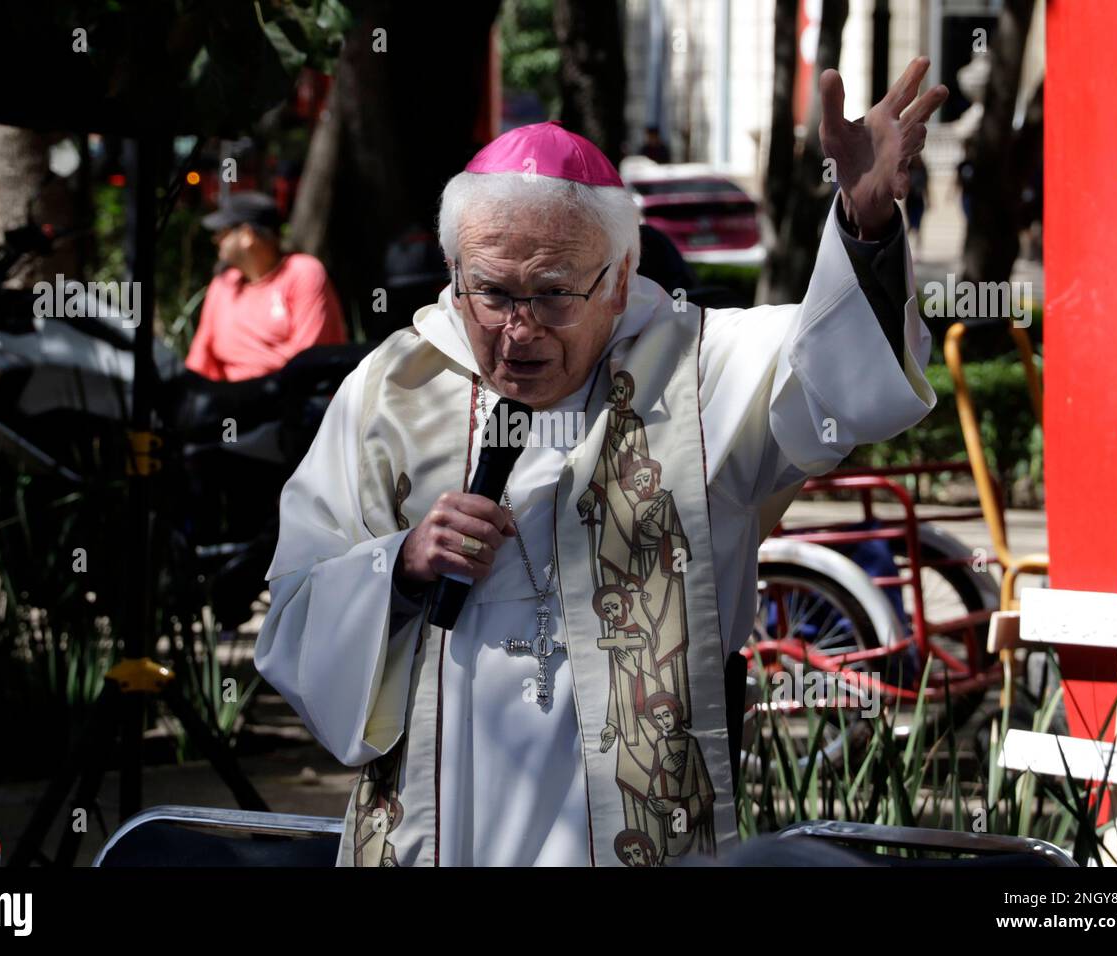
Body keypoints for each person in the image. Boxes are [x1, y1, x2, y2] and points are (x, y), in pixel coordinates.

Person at [256, 59, 946, 867]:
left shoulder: (697, 370)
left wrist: (864, 227)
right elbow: (295, 609)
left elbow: (847, 387)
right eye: (490, 293)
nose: (517, 331)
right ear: (453, 276)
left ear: (621, 279)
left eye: (552, 295)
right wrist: (399, 568)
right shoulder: (392, 390)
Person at [185, 191, 347, 381]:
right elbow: (200, 358)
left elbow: (309, 362)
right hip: (228, 402)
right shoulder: (223, 284)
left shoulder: (303, 273)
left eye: (223, 232)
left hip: (290, 399)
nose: (216, 240)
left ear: (247, 235)